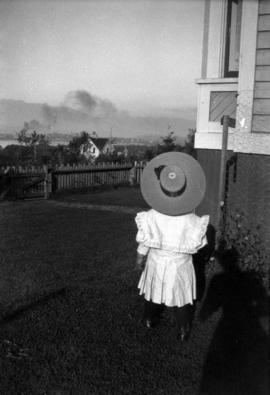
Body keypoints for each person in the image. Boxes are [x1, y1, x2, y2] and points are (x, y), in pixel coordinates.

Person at [134, 152, 209, 341]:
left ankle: (149, 318)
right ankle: (183, 329)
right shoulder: (192, 220)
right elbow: (202, 245)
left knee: (153, 293)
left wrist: (140, 258)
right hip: (181, 264)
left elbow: (144, 242)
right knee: (181, 299)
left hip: (157, 262)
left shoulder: (150, 216)